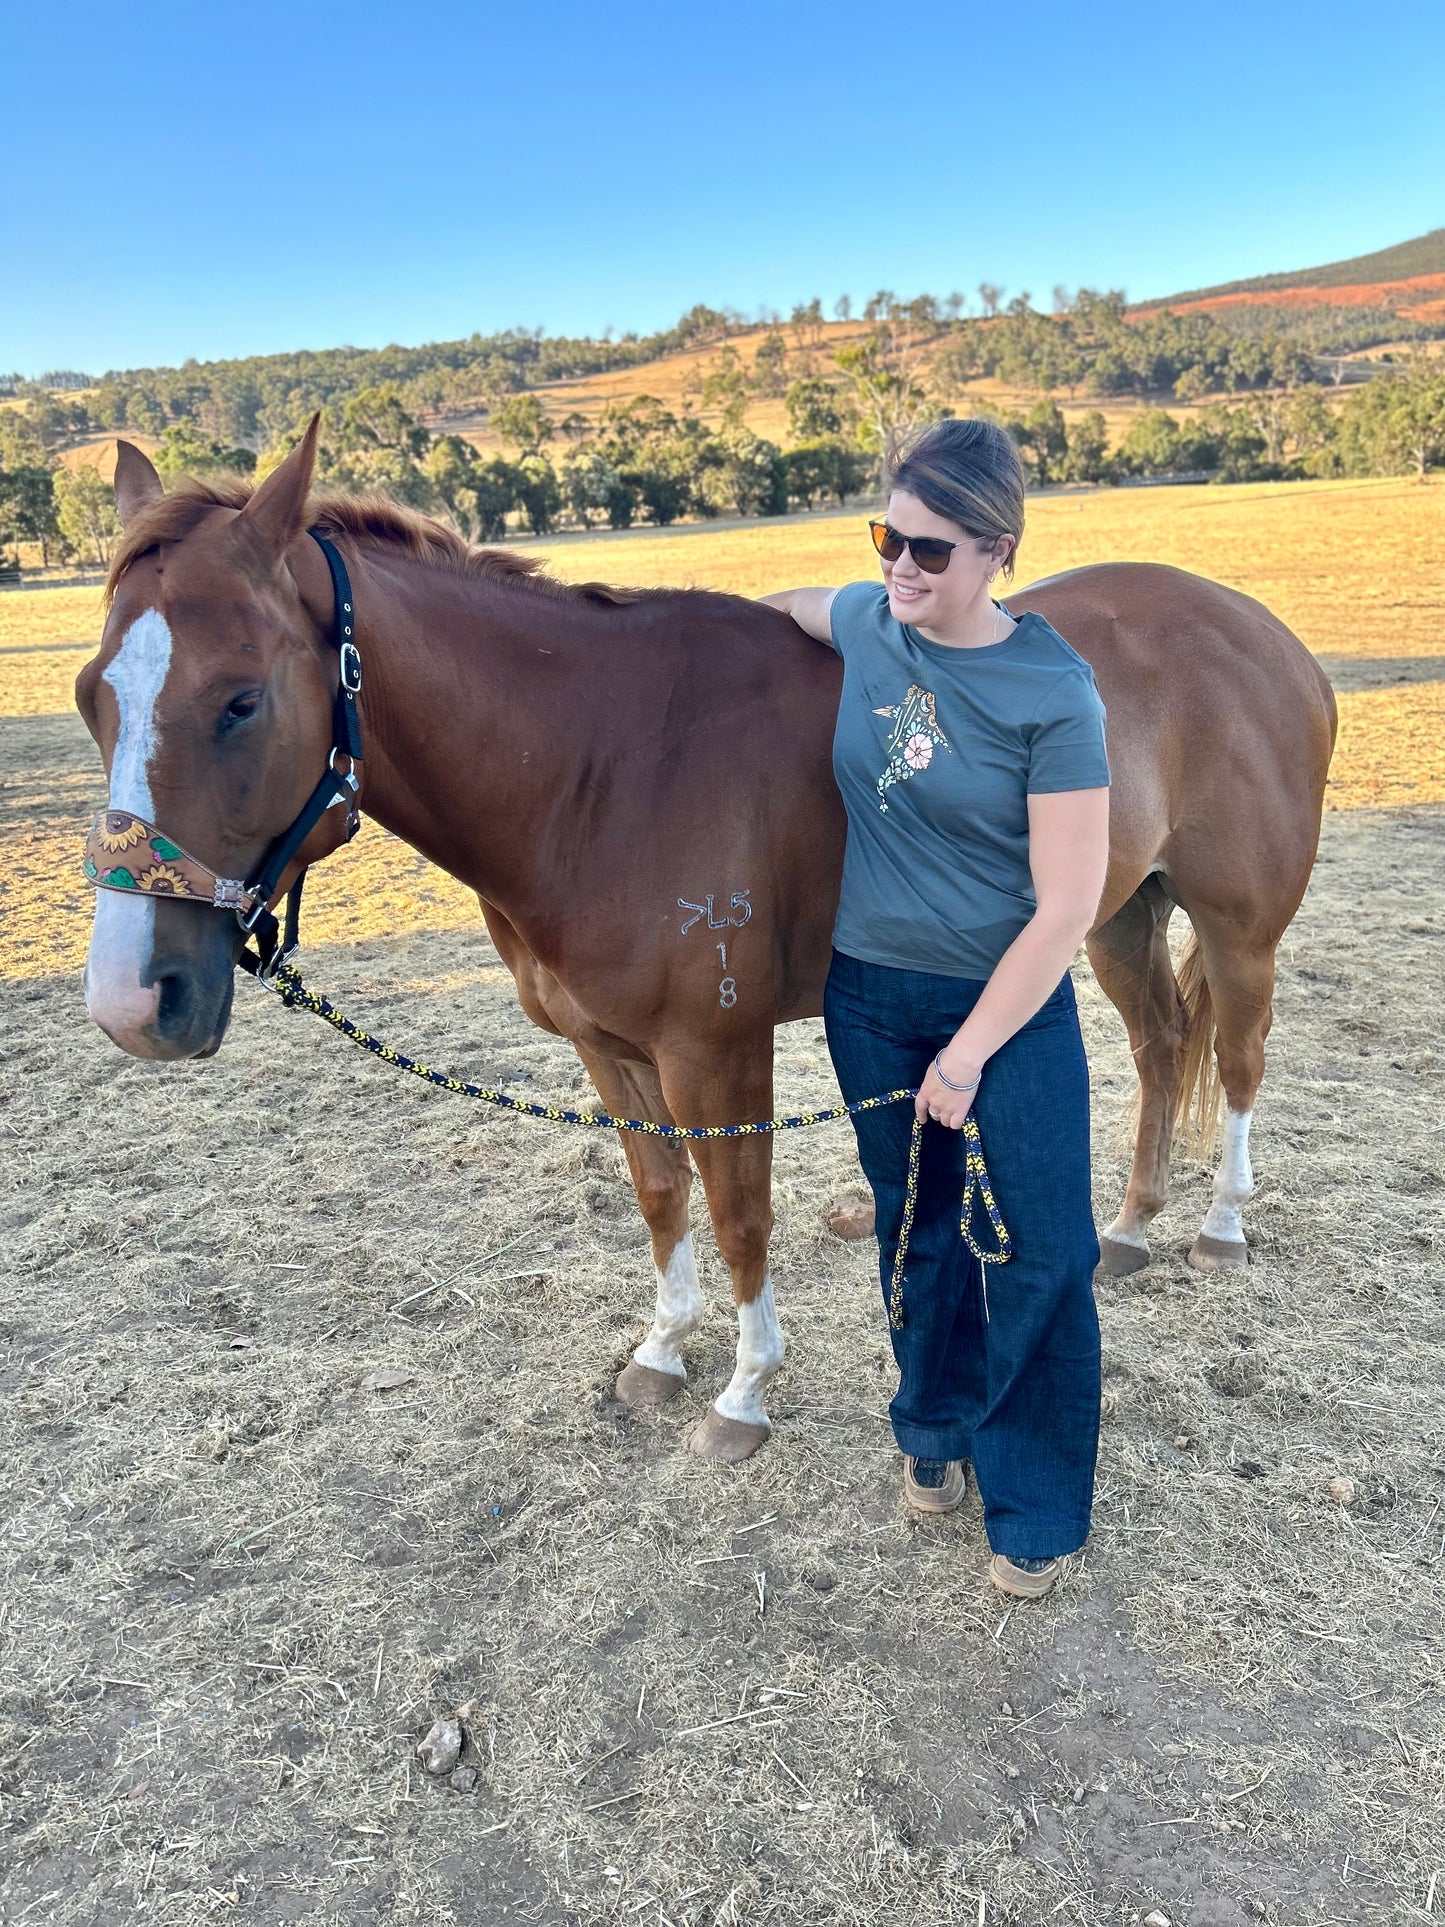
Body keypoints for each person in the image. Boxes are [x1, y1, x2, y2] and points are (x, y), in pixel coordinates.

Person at [761, 418, 1110, 1600]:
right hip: (867, 996)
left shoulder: (1051, 692)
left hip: (1002, 1006)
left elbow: (1065, 908)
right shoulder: (869, 618)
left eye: (930, 550)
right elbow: (791, 605)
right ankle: (933, 1428)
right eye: (886, 537)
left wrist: (965, 1055)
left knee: (1038, 1249)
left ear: (996, 550)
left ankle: (1032, 1496)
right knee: (917, 1233)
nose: (900, 566)